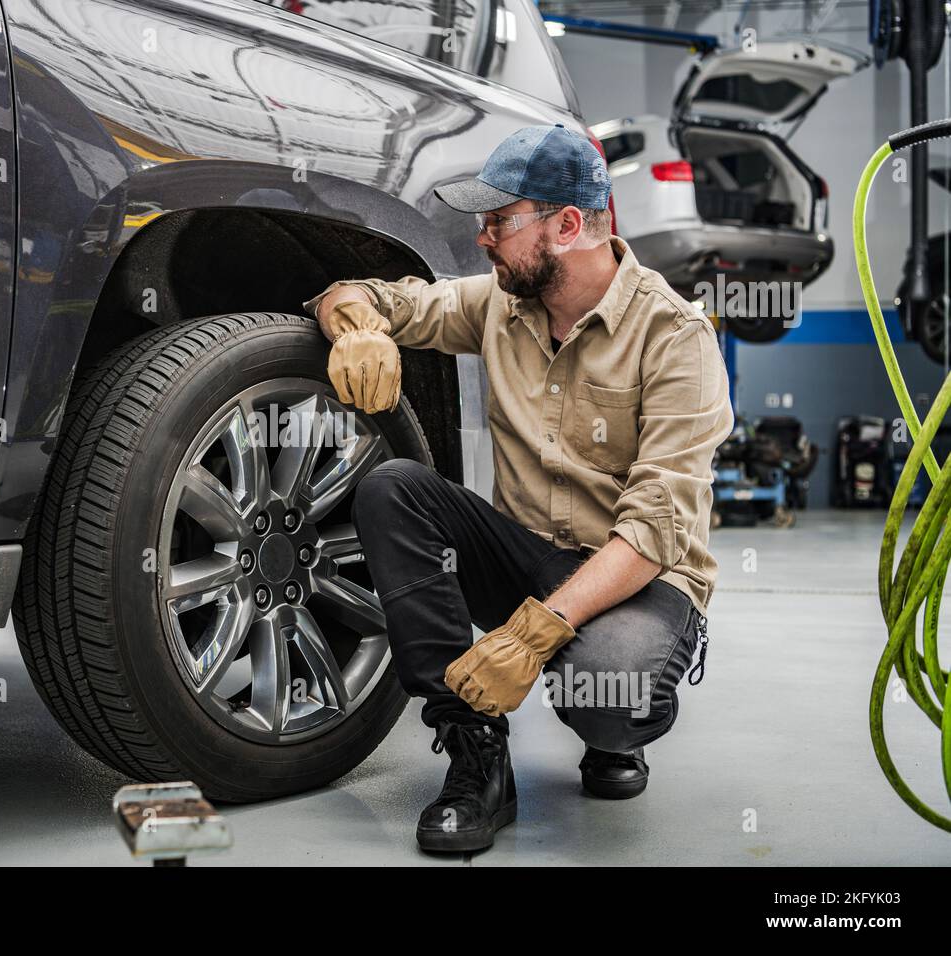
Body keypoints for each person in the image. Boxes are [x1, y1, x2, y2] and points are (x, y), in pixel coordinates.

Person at [301, 124, 735, 853]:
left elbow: (656, 530)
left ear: (567, 227)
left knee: (610, 693)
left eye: (499, 221)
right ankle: (475, 752)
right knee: (394, 491)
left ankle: (613, 736)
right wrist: (355, 325)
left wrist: (533, 637)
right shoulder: (498, 304)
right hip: (527, 553)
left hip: (634, 576)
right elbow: (376, 298)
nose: (482, 239)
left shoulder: (675, 337)